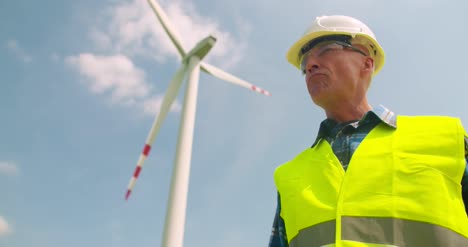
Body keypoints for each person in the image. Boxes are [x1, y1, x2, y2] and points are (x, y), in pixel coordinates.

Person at [269, 15, 468, 247]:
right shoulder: (291, 177)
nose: (310, 65)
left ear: (367, 62)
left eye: (325, 50)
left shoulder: (444, 140)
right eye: (304, 64)